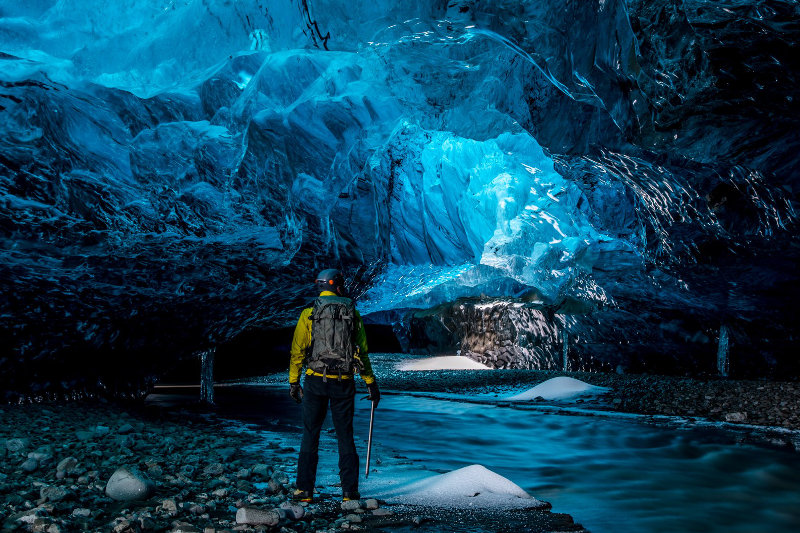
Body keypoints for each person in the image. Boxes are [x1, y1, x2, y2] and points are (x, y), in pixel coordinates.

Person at [289, 268, 380, 502]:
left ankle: (305, 491)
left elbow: (297, 351)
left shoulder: (309, 313)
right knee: (345, 435)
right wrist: (370, 383)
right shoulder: (353, 313)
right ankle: (350, 492)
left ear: (320, 286)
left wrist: (293, 382)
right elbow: (362, 352)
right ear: (337, 285)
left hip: (315, 380)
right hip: (343, 382)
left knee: (311, 433)